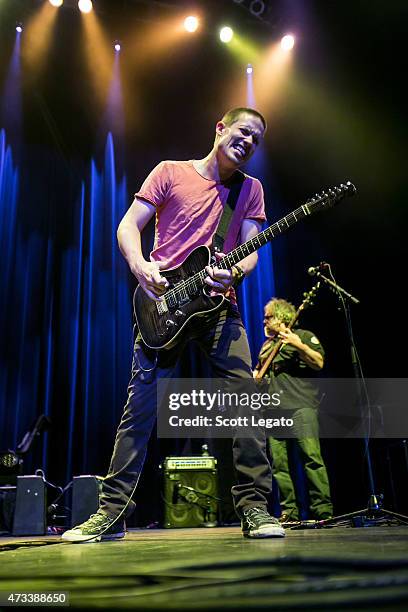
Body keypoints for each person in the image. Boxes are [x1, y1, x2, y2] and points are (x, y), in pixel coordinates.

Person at [62, 107, 285, 541]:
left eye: (256, 139)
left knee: (246, 402)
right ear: (220, 128)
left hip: (220, 308)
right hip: (164, 307)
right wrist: (139, 264)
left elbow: (251, 250)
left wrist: (235, 272)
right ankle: (110, 515)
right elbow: (129, 225)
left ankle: (256, 509)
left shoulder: (250, 190)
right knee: (139, 411)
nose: (248, 142)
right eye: (243, 132)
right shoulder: (169, 172)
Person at [254, 297, 333, 523]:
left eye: (268, 317)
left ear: (282, 318)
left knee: (312, 458)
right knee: (279, 465)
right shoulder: (267, 346)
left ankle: (322, 511)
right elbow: (260, 374)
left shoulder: (304, 336)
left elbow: (318, 363)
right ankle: (289, 512)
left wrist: (298, 344)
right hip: (273, 410)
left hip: (301, 407)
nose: (264, 321)